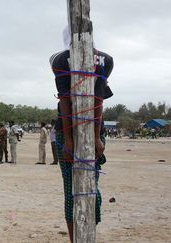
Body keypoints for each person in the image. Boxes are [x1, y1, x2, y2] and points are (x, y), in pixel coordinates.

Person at [50, 26, 114, 242]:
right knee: (75, 191)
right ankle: (75, 239)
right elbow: (70, 99)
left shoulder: (59, 60)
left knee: (86, 190)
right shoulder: (103, 60)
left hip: (77, 134)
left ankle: (86, 236)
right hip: (76, 134)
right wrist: (79, 138)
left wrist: (88, 138)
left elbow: (95, 99)